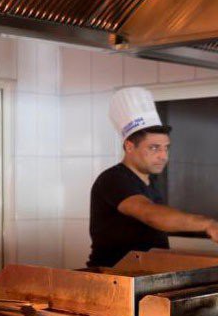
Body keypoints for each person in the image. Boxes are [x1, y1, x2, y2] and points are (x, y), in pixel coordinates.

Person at [88, 87, 218, 268]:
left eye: (166, 148)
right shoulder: (114, 179)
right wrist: (208, 224)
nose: (164, 156)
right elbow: (150, 214)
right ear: (129, 146)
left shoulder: (151, 181)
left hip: (142, 274)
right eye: (154, 148)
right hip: (113, 276)